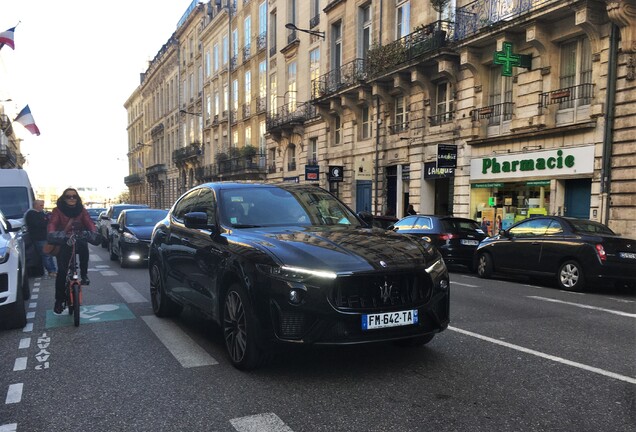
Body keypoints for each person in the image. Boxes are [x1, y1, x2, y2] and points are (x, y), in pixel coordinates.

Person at [47, 188, 97, 314]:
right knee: (62, 272)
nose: (71, 199)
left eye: (74, 196)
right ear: (64, 198)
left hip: (77, 238)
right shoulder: (57, 210)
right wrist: (52, 234)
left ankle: (84, 275)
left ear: (77, 198)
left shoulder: (82, 210)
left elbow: (89, 223)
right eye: (68, 196)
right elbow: (52, 223)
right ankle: (58, 301)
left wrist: (94, 233)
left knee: (84, 247)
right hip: (63, 240)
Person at [24, 199, 58, 278]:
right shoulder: (31, 214)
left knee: (48, 254)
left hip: (44, 237)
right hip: (39, 238)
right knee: (46, 254)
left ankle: (52, 270)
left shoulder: (40, 213)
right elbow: (38, 224)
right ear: (35, 205)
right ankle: (52, 271)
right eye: (41, 205)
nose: (42, 207)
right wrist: (47, 221)